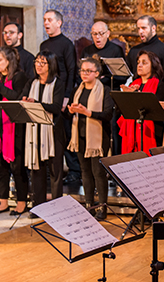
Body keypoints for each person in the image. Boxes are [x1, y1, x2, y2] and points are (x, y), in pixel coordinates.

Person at [65, 57, 114, 220]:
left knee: (98, 173)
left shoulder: (105, 90)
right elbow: (68, 111)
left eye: (88, 71)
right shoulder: (77, 89)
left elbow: (108, 114)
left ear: (98, 73)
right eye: (82, 70)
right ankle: (89, 205)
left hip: (98, 137)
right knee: (85, 171)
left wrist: (89, 113)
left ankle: (102, 207)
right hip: (80, 135)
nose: (84, 74)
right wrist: (71, 110)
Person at [20, 51, 65, 217]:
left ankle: (57, 208)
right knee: (37, 171)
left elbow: (56, 107)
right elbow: (23, 98)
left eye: (43, 62)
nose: (38, 65)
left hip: (53, 132)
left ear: (51, 65)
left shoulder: (57, 84)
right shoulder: (32, 83)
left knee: (55, 172)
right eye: (37, 62)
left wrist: (36, 103)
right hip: (34, 131)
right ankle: (38, 207)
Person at [0, 46, 28, 215]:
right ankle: (3, 202)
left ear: (9, 61)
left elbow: (15, 97)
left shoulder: (19, 76)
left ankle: (21, 202)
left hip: (13, 127)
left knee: (17, 167)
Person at [40, 9, 80, 184]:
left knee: (65, 132)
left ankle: (74, 171)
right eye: (44, 20)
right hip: (48, 92)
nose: (46, 23)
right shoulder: (43, 45)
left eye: (49, 20)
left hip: (62, 93)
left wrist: (66, 96)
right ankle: (52, 170)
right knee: (51, 133)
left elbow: (71, 70)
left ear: (59, 23)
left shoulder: (66, 44)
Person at [81, 21, 127, 157]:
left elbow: (122, 77)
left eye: (101, 34)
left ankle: (113, 159)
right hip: (91, 94)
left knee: (112, 129)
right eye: (94, 34)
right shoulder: (87, 51)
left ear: (107, 34)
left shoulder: (115, 50)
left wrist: (102, 79)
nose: (98, 37)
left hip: (109, 93)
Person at [117, 50, 164, 154]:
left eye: (144, 63)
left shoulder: (159, 85)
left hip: (151, 131)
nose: (139, 65)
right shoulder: (133, 84)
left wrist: (135, 94)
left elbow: (153, 109)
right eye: (138, 62)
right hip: (132, 130)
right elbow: (122, 109)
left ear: (153, 65)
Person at [127, 15, 164, 88]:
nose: (140, 31)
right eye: (138, 28)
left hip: (157, 93)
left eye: (144, 28)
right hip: (136, 92)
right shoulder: (134, 50)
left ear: (153, 28)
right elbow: (124, 75)